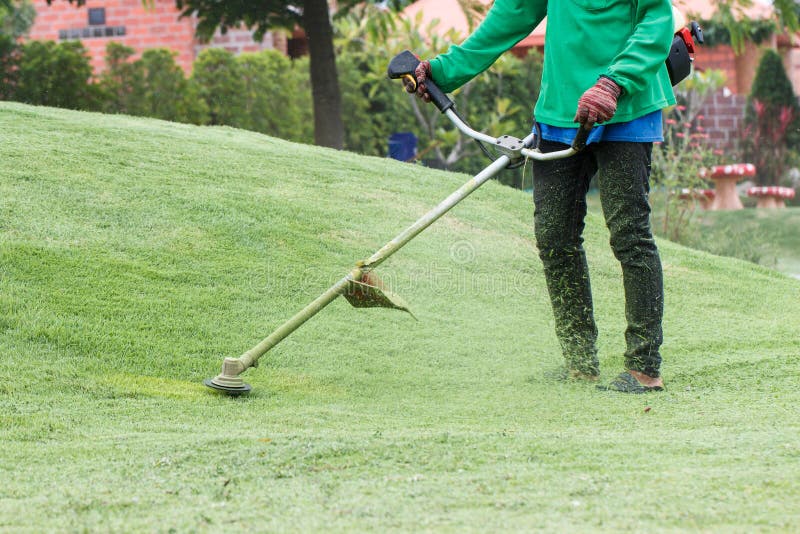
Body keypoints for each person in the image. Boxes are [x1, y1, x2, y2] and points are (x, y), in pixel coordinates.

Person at [408, 0, 676, 393]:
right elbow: (512, 14)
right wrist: (445, 71)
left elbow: (657, 20)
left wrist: (614, 81)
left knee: (630, 237)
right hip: (559, 110)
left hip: (626, 106)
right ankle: (580, 362)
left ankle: (644, 367)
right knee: (554, 239)